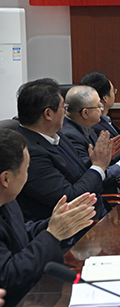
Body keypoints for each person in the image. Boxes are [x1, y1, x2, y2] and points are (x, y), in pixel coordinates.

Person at [0, 129, 97, 307]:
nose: (27, 176)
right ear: (6, 179)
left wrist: (58, 222)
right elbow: (9, 278)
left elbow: (20, 233)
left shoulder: (8, 200)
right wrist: (52, 235)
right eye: (26, 170)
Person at [15, 78, 112, 221]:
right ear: (48, 114)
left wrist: (94, 161)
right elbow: (70, 198)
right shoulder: (30, 153)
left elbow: (75, 175)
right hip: (75, 226)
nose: (66, 114)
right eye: (64, 108)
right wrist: (98, 166)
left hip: (97, 212)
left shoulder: (56, 134)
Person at [59, 86, 120, 193]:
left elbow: (97, 164)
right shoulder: (70, 136)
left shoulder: (86, 127)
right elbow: (92, 176)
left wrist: (112, 155)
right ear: (85, 113)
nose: (102, 110)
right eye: (99, 106)